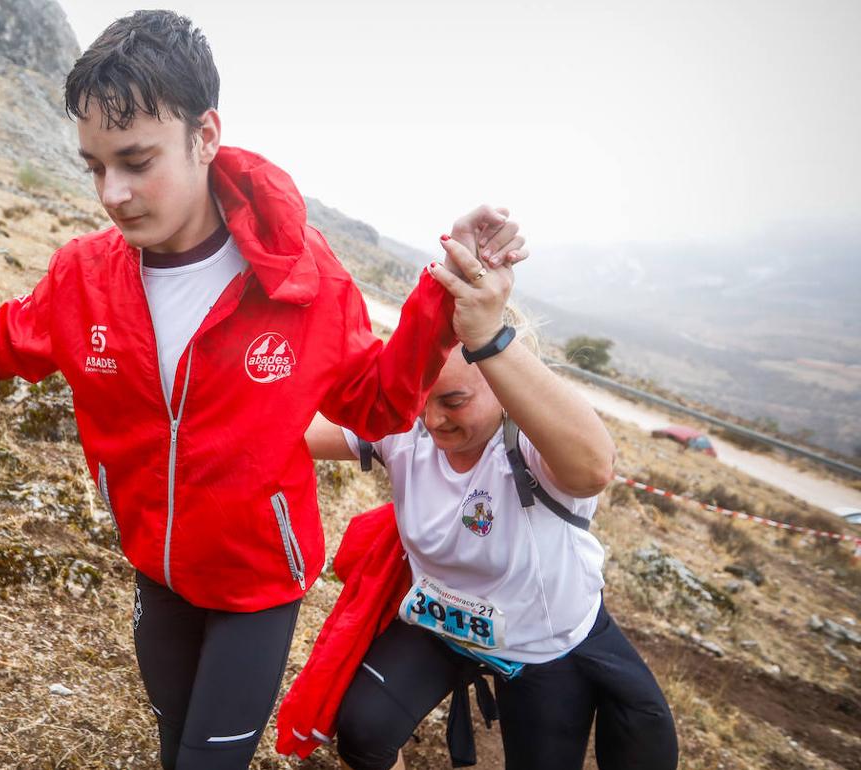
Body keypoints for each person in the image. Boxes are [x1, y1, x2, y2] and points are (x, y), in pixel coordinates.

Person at [0, 11, 527, 769]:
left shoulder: (301, 279)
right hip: (157, 566)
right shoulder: (84, 275)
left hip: (257, 586)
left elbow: (376, 406)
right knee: (174, 742)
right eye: (95, 167)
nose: (113, 193)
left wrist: (440, 298)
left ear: (206, 136)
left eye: (136, 161)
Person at [278, 236, 678, 770]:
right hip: (441, 626)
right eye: (422, 398)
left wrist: (489, 337)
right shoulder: (404, 427)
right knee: (362, 733)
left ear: (502, 385)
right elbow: (287, 432)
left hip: (542, 646)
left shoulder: (530, 447)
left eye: (454, 400)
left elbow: (593, 469)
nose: (432, 419)